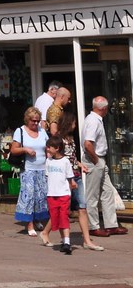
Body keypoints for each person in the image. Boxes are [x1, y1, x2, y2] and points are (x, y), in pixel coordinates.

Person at [41, 111, 103, 251]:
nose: (75, 125)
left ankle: (86, 240)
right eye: (74, 123)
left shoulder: (70, 138)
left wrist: (79, 164)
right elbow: (57, 159)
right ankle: (49, 233)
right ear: (68, 123)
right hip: (66, 179)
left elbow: (72, 157)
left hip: (76, 175)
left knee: (82, 206)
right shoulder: (58, 140)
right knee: (61, 210)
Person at [83, 95, 128, 237]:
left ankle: (111, 225)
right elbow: (88, 144)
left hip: (99, 159)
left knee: (107, 191)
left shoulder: (95, 119)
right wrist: (96, 160)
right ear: (104, 109)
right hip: (94, 159)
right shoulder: (93, 121)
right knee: (93, 195)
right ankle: (93, 226)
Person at [10, 105, 49, 235]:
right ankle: (29, 223)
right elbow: (13, 149)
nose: (36, 123)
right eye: (33, 121)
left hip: (42, 169)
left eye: (38, 121)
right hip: (28, 169)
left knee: (40, 196)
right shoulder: (20, 131)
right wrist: (25, 149)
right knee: (29, 196)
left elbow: (47, 147)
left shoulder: (42, 131)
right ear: (27, 119)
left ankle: (37, 218)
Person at [42, 134, 76, 254]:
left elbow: (70, 177)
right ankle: (64, 241)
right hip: (52, 194)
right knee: (55, 218)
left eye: (49, 147)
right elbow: (47, 177)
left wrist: (72, 185)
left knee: (64, 217)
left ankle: (67, 242)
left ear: (57, 148)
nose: (47, 149)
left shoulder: (65, 161)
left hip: (63, 194)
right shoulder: (48, 161)